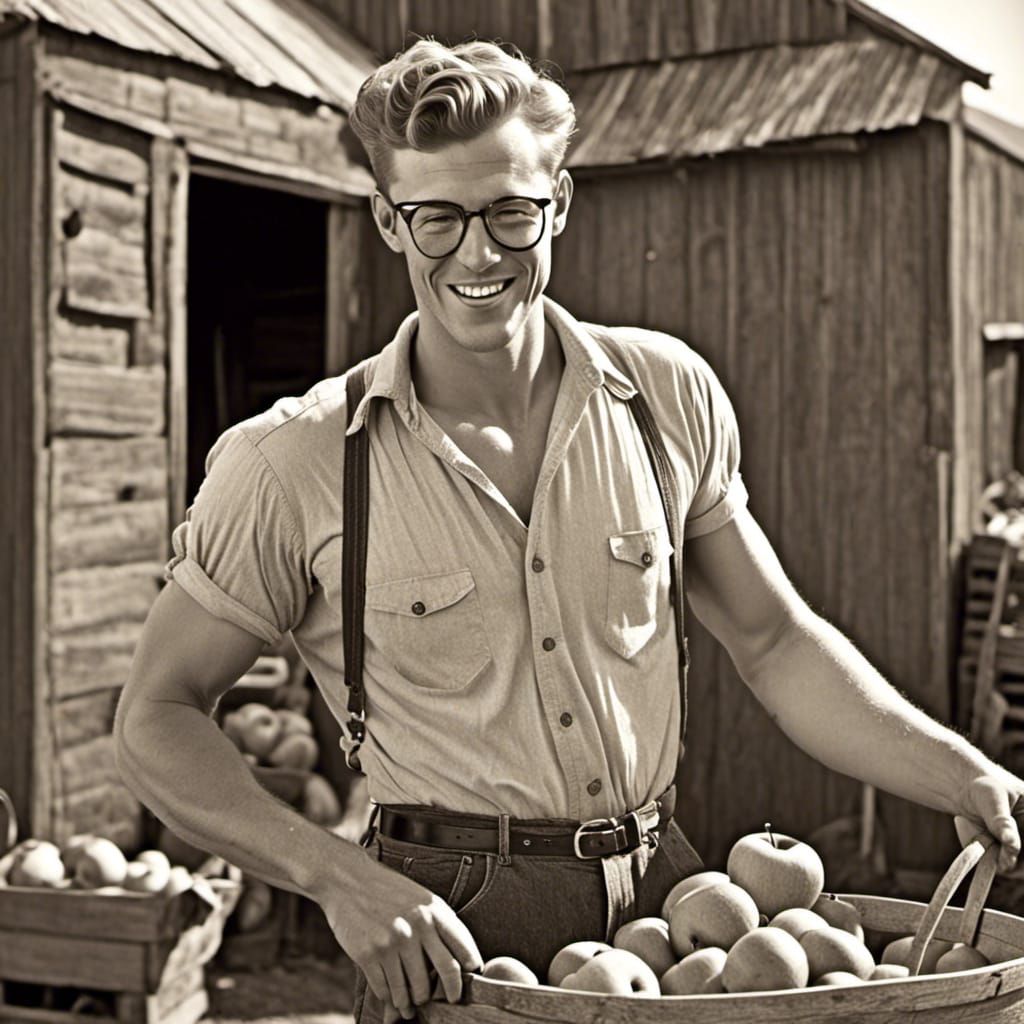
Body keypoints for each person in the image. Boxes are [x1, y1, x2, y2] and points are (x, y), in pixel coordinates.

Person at [115, 38, 1024, 1024]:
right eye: (436, 218)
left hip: (671, 916)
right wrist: (338, 877)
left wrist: (956, 770)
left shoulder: (665, 397)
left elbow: (772, 641)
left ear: (558, 202)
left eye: (510, 212)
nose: (477, 253)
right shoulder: (293, 460)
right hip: (452, 928)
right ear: (387, 220)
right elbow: (156, 714)